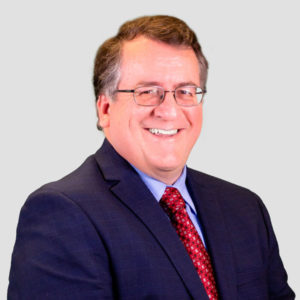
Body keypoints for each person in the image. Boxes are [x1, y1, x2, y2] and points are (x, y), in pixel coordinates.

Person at [8, 15, 295, 299]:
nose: (169, 111)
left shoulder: (245, 208)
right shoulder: (61, 214)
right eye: (147, 92)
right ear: (105, 109)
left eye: (185, 91)